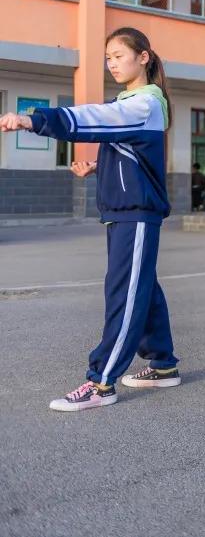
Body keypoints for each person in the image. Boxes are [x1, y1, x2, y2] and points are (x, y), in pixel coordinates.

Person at [0, 27, 180, 411]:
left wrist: (36, 120)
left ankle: (101, 382)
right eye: (108, 58)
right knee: (140, 285)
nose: (112, 63)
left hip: (137, 214)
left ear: (143, 57)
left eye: (119, 55)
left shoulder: (144, 103)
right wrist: (99, 166)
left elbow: (96, 116)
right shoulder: (132, 102)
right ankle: (163, 365)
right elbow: (136, 158)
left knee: (124, 291)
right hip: (125, 211)